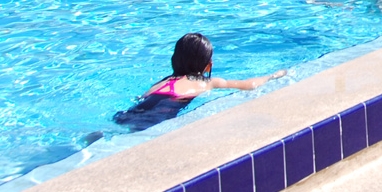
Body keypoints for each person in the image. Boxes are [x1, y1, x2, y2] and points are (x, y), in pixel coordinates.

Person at [112, 32, 286, 131]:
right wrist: (271, 76)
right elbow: (249, 85)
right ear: (208, 65)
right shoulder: (206, 82)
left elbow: (142, 98)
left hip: (131, 111)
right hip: (159, 115)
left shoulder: (162, 81)